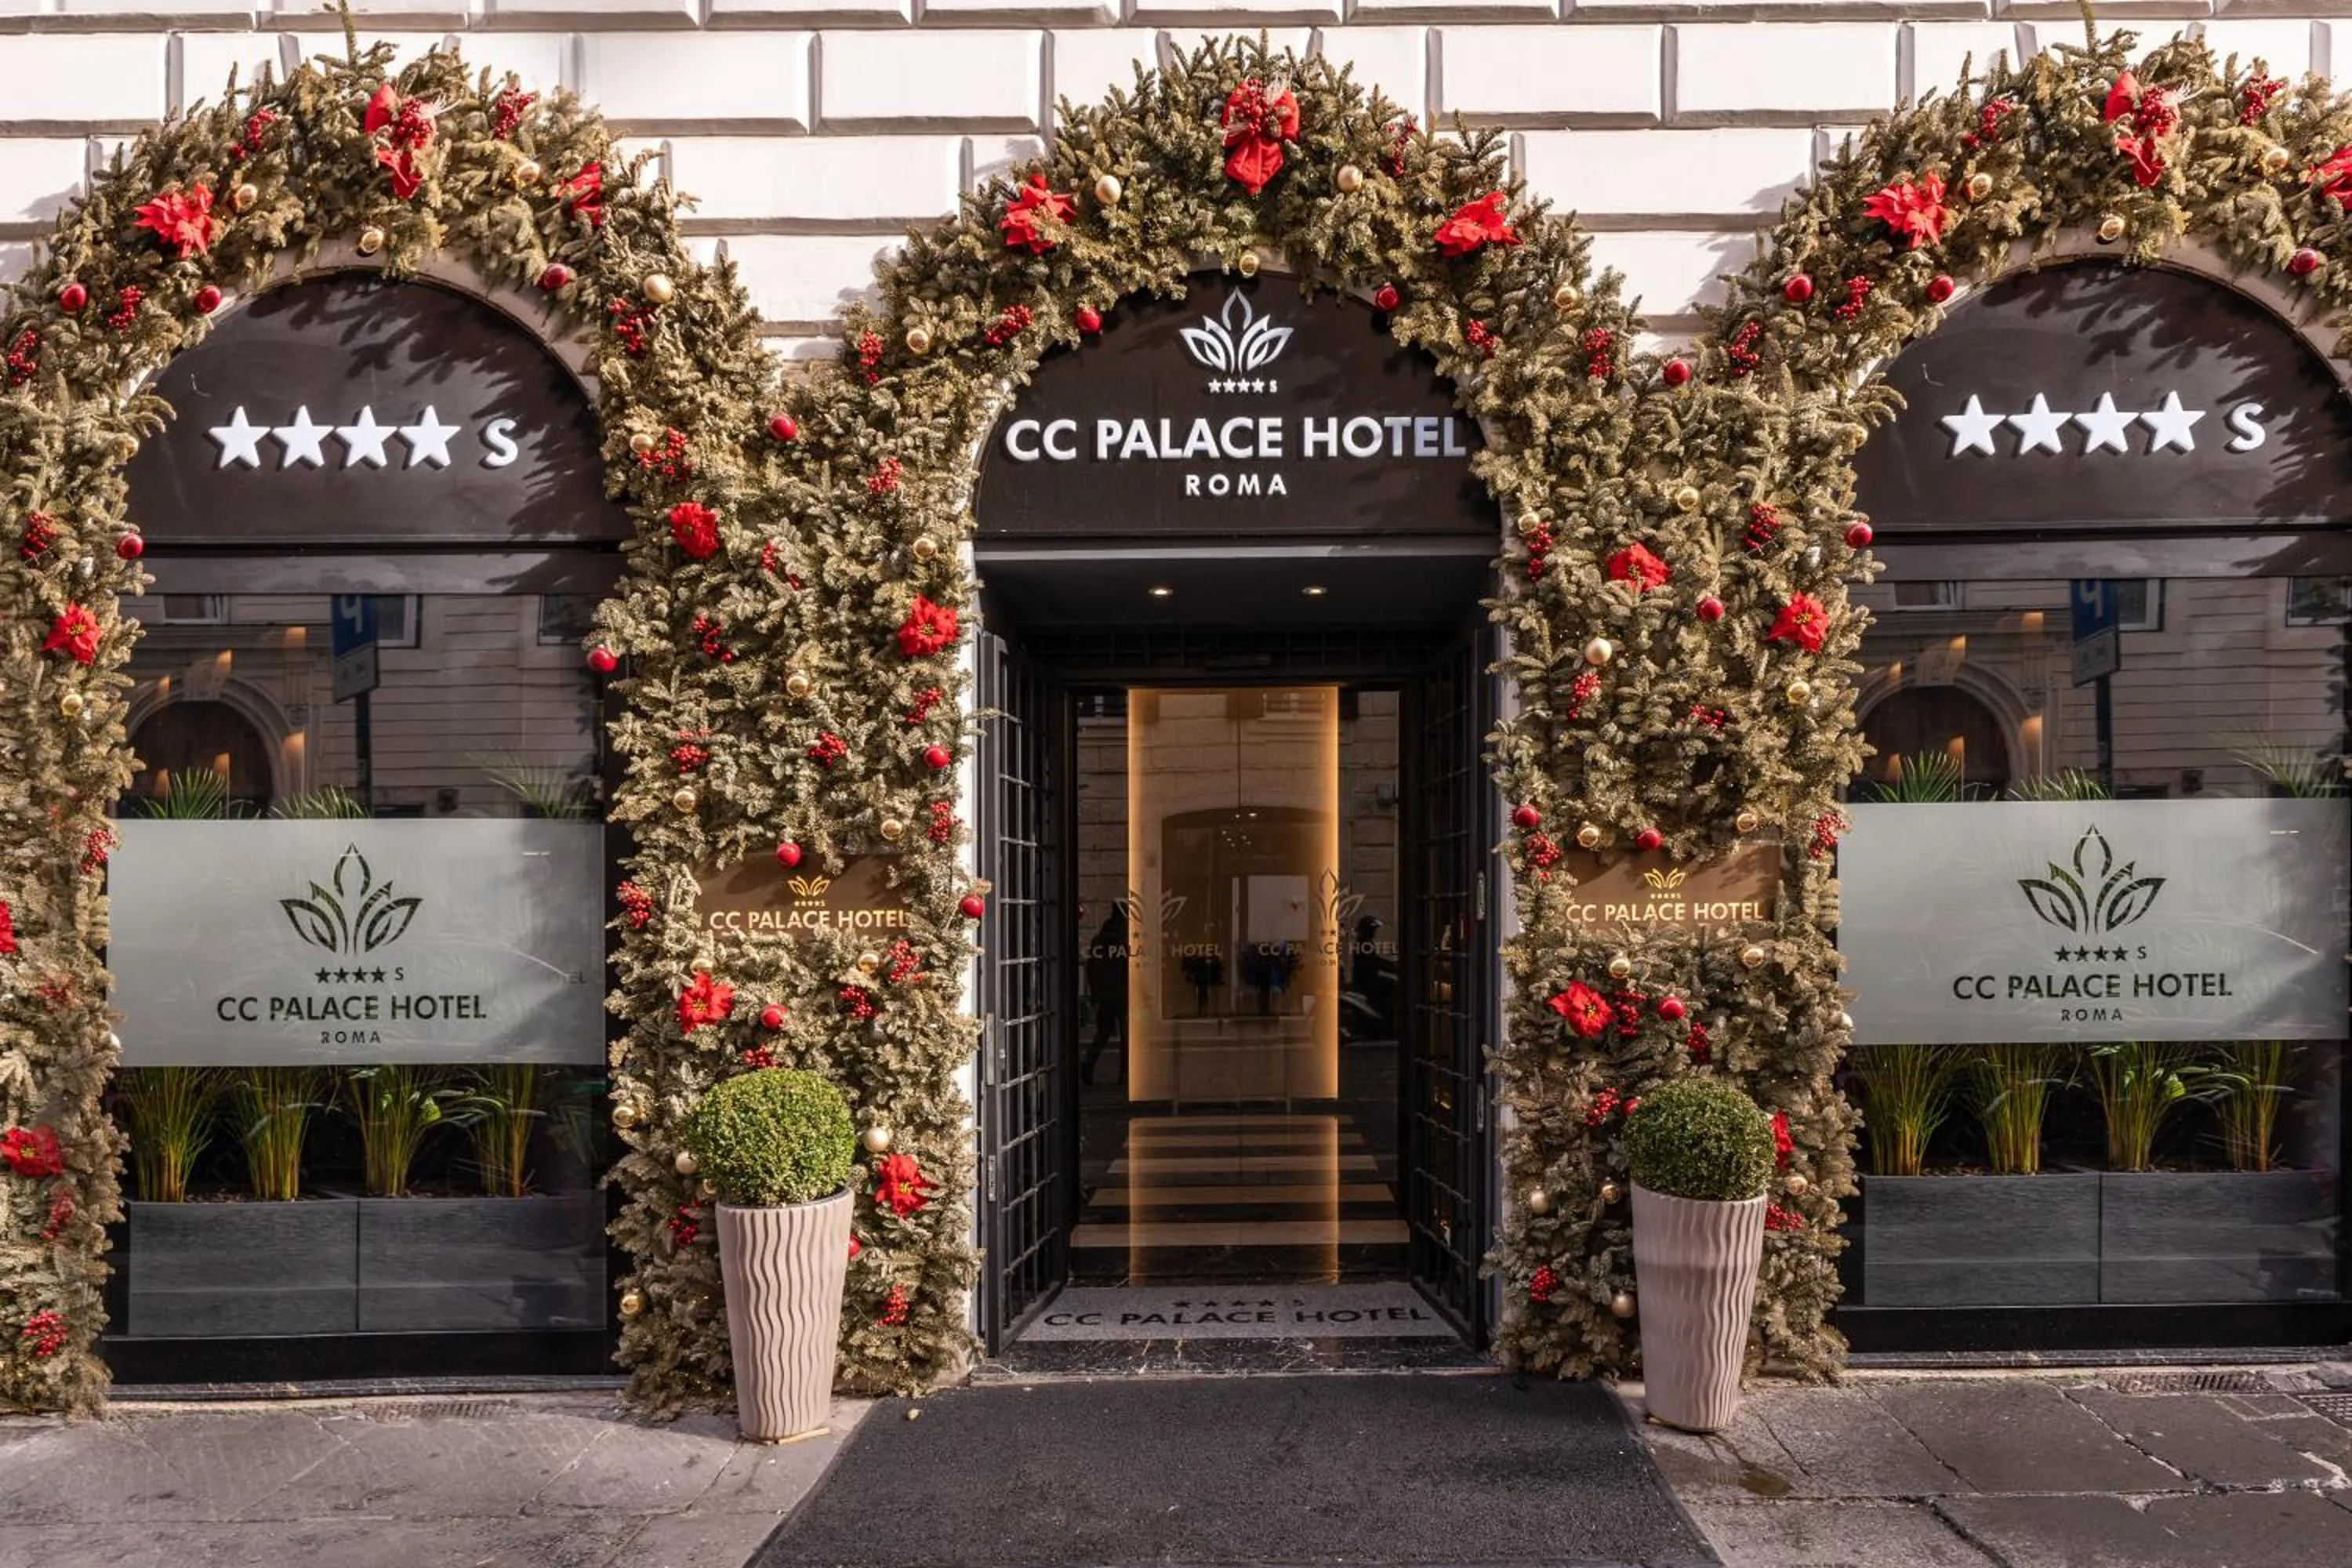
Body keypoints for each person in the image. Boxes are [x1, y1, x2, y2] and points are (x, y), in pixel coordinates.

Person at [1080, 906, 1128, 1086]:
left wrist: (1095, 991)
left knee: (1103, 1033)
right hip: (1122, 993)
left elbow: (1092, 968)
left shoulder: (1099, 940)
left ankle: (1089, 1063)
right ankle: (1125, 1073)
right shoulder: (1123, 939)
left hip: (1105, 994)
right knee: (1126, 1036)